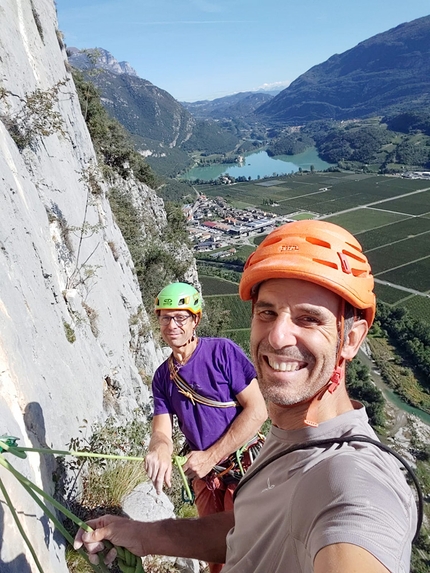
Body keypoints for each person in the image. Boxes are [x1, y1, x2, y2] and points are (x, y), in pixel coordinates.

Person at [75, 221, 417, 573]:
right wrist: (144, 535)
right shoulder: (288, 439)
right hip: (210, 476)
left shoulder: (353, 479)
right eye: (267, 312)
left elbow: (354, 522)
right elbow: (247, 530)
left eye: (309, 319)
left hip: (232, 466)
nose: (279, 335)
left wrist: (210, 456)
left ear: (350, 339)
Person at [144, 282, 267, 573]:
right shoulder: (163, 377)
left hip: (241, 466)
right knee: (214, 553)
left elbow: (258, 410)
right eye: (165, 317)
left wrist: (211, 456)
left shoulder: (222, 353)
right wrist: (159, 448)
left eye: (180, 317)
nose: (172, 325)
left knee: (247, 549)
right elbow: (161, 430)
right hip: (206, 475)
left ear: (195, 320)